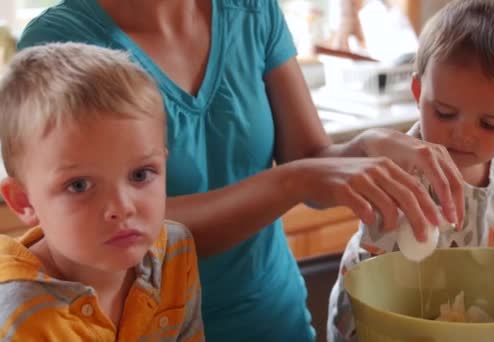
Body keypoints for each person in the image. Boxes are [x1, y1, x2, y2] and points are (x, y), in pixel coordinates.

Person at [17, 1, 465, 340]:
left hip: (276, 317)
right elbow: (131, 226)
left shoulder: (252, 9)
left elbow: (308, 154)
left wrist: (366, 147)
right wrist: (293, 180)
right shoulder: (64, 42)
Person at [327, 0, 494, 340]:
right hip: (377, 325)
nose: (463, 135)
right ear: (419, 92)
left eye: (490, 123)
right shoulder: (391, 168)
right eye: (445, 113)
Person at [0, 43, 204, 340]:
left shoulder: (175, 250)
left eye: (140, 174)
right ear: (23, 200)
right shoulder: (19, 316)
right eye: (79, 185)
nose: (122, 207)